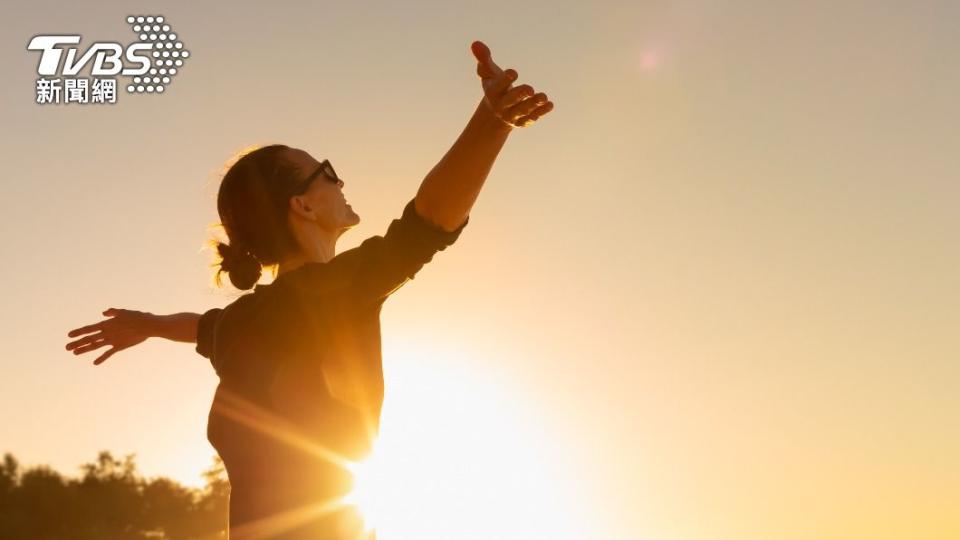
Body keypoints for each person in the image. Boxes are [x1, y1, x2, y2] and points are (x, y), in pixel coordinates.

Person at [65, 40, 554, 539]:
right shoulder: (330, 293)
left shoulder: (242, 322)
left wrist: (148, 325)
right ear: (302, 206)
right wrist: (492, 121)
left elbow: (200, 327)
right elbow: (426, 223)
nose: (342, 185)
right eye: (329, 174)